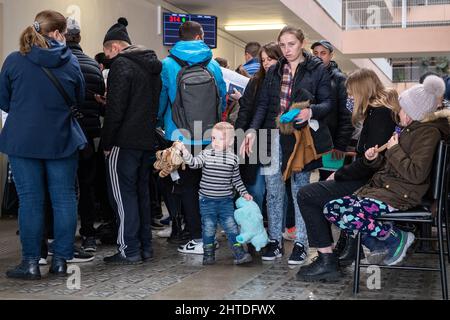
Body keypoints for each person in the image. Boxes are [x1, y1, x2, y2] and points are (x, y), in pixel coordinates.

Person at [323, 75, 449, 269]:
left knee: (350, 216)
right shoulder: (406, 131)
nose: (397, 113)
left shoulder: (428, 134)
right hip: (383, 190)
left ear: (411, 113)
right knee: (331, 209)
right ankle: (379, 244)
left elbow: (416, 174)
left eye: (401, 109)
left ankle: (395, 238)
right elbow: (390, 166)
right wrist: (374, 159)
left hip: (400, 195)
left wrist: (393, 149)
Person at [0, 10, 87, 279]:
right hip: (61, 139)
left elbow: (4, 101)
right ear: (59, 32)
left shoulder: (14, 60)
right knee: (64, 199)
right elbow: (79, 100)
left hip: (23, 141)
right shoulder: (71, 62)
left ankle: (30, 263)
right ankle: (61, 260)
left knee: (30, 202)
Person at [295, 68, 399, 282]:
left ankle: (326, 260)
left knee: (307, 195)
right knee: (319, 192)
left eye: (351, 93)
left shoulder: (379, 114)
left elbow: (369, 163)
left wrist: (339, 174)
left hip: (372, 183)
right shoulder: (378, 111)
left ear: (362, 90)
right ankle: (341, 249)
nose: (349, 98)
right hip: (373, 179)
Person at [242, 26, 333, 265]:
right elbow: (262, 104)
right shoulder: (275, 70)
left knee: (299, 190)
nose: (287, 49)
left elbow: (328, 103)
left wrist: (310, 110)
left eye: (291, 44)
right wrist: (252, 130)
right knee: (273, 191)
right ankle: (275, 240)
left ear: (302, 43)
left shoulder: (316, 69)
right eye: (282, 45)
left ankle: (301, 243)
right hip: (271, 136)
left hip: (299, 137)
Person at [158, 21, 227, 255]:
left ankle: (196, 238)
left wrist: (160, 121)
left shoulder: (167, 64)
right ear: (201, 36)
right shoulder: (213, 64)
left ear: (178, 37)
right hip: (209, 135)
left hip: (179, 135)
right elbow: (222, 97)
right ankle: (209, 237)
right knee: (207, 187)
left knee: (186, 186)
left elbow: (161, 100)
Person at [101, 17, 162, 264]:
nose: (106, 56)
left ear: (115, 46)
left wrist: (107, 144)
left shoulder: (121, 66)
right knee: (140, 194)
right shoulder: (151, 66)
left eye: (106, 50)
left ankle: (129, 249)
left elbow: (116, 111)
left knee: (122, 196)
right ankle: (145, 246)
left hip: (123, 142)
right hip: (145, 140)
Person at [174, 122, 253, 265]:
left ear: (230, 142)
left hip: (225, 202)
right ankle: (208, 255)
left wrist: (245, 193)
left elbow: (236, 180)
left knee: (231, 227)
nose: (215, 142)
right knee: (209, 228)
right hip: (207, 201)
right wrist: (184, 152)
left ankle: (239, 254)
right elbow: (193, 163)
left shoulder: (233, 159)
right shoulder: (206, 154)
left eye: (220, 139)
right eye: (213, 138)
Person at [66, 18, 106, 252]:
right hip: (90, 134)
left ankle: (58, 235)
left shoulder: (59, 64)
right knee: (87, 185)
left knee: (63, 188)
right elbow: (100, 101)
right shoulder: (93, 65)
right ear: (80, 38)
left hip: (65, 134)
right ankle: (89, 233)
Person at [233, 42, 283, 212]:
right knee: (255, 188)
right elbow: (245, 111)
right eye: (263, 60)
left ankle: (276, 227)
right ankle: (255, 223)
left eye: (270, 59)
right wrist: (238, 137)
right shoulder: (255, 82)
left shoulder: (288, 83)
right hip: (255, 140)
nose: (266, 63)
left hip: (277, 140)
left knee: (277, 190)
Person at [311, 40, 353, 180]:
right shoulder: (309, 76)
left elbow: (347, 115)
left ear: (331, 55)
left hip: (331, 142)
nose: (319, 56)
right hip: (310, 141)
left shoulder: (340, 79)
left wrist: (340, 146)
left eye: (323, 53)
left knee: (328, 180)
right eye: (315, 53)